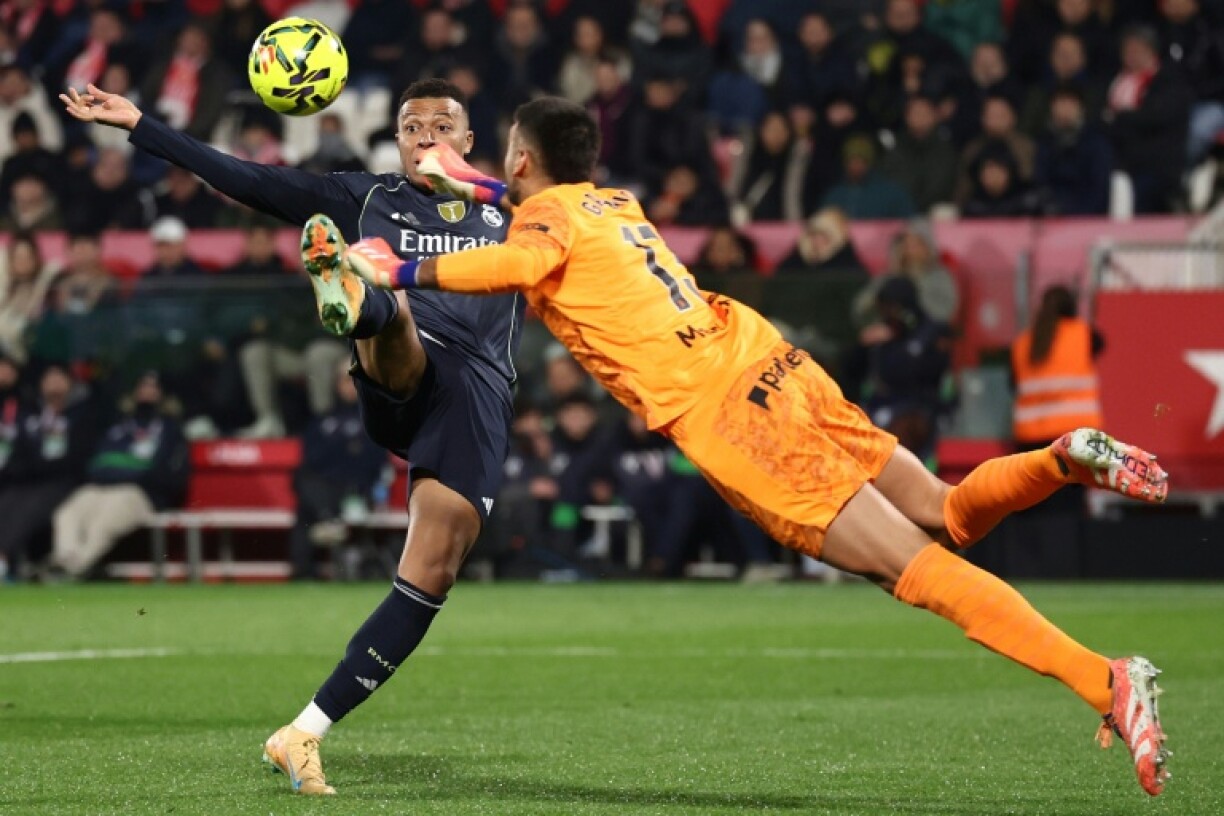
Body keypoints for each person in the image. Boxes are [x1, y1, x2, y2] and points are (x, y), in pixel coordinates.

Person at [346, 97, 1172, 798]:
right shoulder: (611, 201)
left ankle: (1107, 681)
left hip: (730, 412)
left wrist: (399, 274)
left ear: (521, 156)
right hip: (769, 356)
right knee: (948, 512)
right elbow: (538, 207)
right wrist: (470, 179)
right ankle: (1060, 459)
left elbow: (520, 255)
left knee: (911, 568)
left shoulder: (541, 223)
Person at [61, 77, 523, 795]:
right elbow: (250, 179)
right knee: (394, 304)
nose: (425, 136)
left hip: (476, 397)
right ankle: (358, 295)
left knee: (432, 571)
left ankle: (302, 733)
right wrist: (142, 126)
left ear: (467, 142)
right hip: (400, 359)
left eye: (441, 126)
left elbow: (593, 235)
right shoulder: (366, 197)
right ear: (397, 141)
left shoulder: (514, 213)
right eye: (411, 126)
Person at [51, 371, 189, 579]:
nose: (147, 391)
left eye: (153, 387)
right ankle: (63, 561)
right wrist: (134, 469)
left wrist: (128, 471)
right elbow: (96, 465)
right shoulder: (118, 426)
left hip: (140, 494)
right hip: (101, 488)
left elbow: (166, 476)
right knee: (67, 513)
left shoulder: (171, 429)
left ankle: (73, 569)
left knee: (103, 522)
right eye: (143, 386)